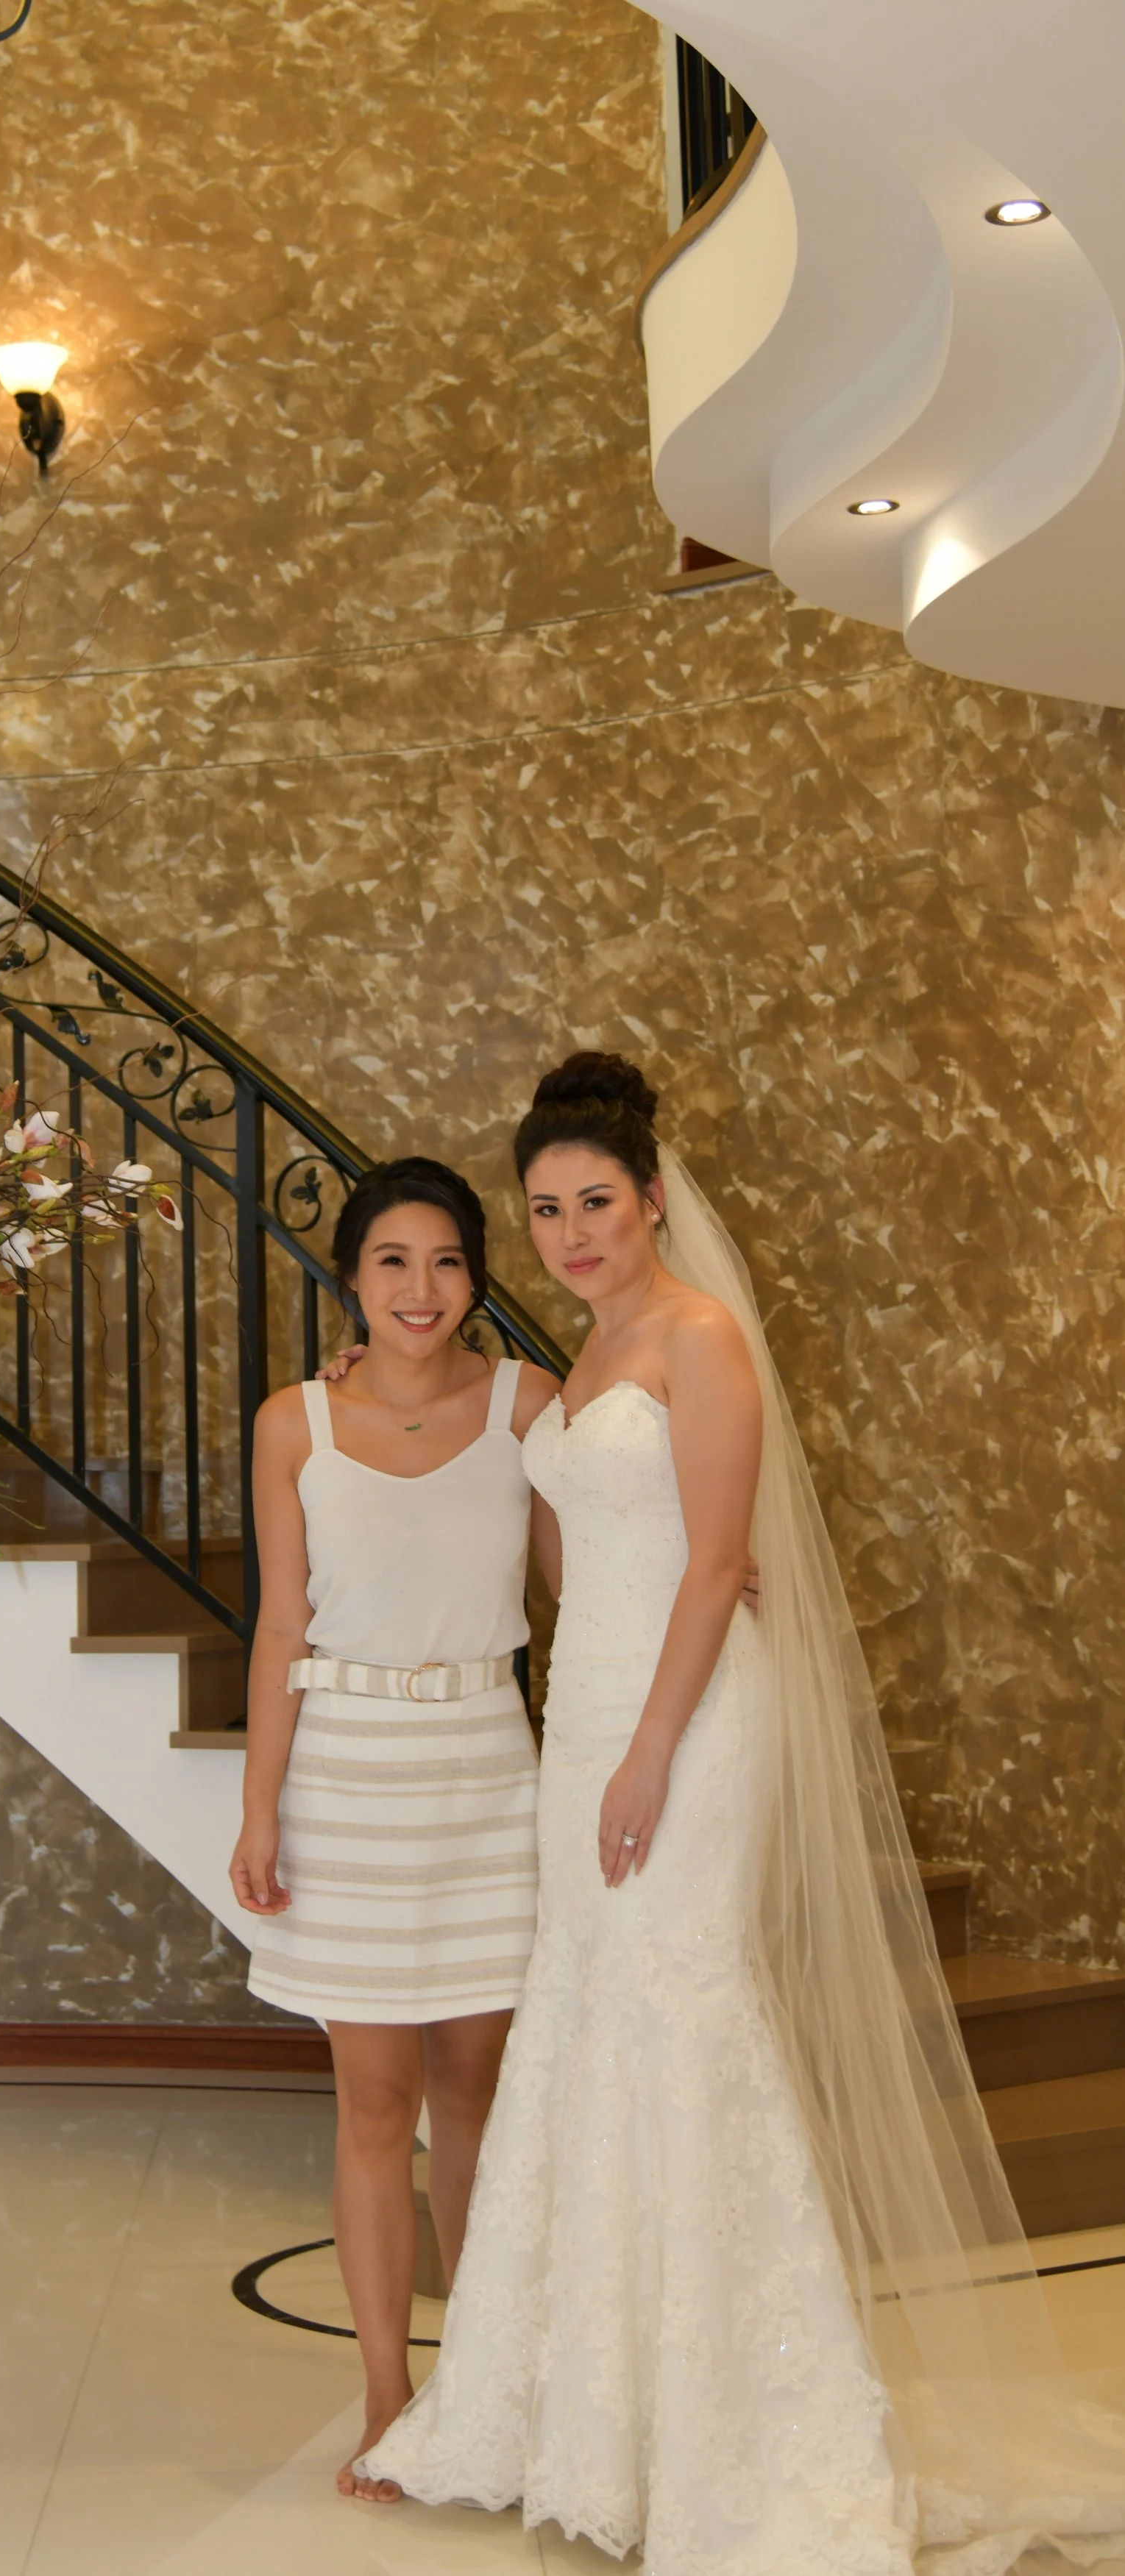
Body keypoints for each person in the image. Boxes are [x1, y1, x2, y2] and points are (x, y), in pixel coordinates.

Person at [355, 1053, 1125, 2574]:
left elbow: (712, 1566)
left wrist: (650, 1747)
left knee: (682, 2014)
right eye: (546, 1212)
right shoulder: (579, 1361)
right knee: (586, 2022)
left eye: (594, 1203)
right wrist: (604, 1686)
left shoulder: (700, 1336)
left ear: (651, 1202)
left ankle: (740, 2425)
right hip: (585, 1709)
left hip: (685, 1728)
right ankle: (594, 2409)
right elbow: (588, 1557)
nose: (570, 1233)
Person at [228, 1156, 560, 2497]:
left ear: (476, 1278)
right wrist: (259, 1807)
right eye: (391, 1262)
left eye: (445, 1262)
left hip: (489, 1767)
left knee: (479, 2096)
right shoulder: (291, 1421)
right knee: (375, 2101)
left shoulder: (532, 1406)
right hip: (345, 1773)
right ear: (351, 1278)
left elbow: (588, 1578)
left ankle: (483, 2385)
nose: (420, 1290)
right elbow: (279, 1625)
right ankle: (385, 2387)